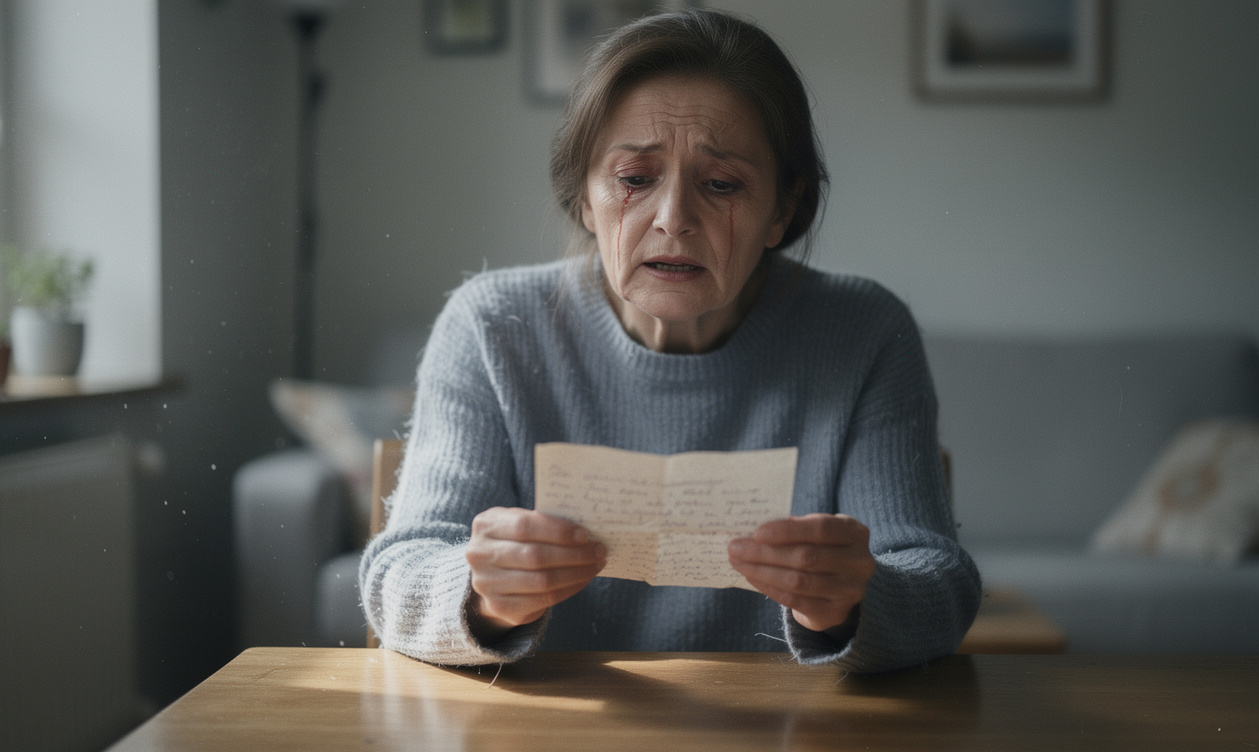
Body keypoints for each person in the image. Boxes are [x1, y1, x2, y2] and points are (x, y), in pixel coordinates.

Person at [359, 8, 980, 674]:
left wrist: (854, 599)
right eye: (634, 180)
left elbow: (939, 585)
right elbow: (398, 572)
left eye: (721, 185)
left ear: (783, 209)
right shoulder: (491, 325)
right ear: (584, 200)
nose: (674, 220)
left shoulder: (863, 332)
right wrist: (480, 594)